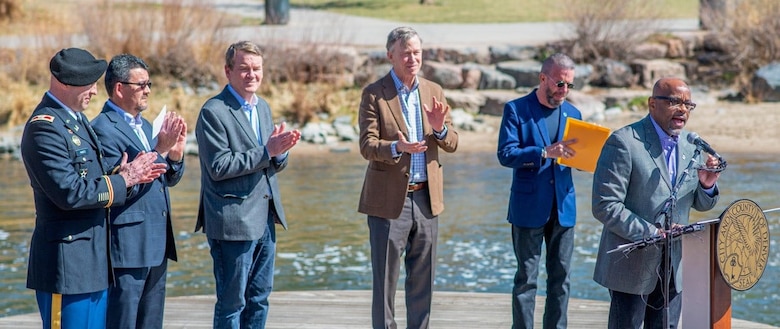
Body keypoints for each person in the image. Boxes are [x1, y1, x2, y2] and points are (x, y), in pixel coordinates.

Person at [20, 48, 166, 329]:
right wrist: (125, 180)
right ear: (66, 83)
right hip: (67, 265)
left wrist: (118, 174)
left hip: (94, 262)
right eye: (89, 84)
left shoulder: (76, 120)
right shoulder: (45, 127)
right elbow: (70, 192)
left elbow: (91, 178)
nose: (96, 92)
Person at [591, 77, 721, 328]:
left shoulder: (690, 146)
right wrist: (650, 233)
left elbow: (699, 204)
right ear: (652, 104)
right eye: (674, 102)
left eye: (688, 104)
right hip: (631, 266)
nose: (682, 109)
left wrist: (706, 185)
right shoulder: (624, 142)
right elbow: (605, 205)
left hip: (673, 267)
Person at [195, 40, 301, 329]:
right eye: (243, 69)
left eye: (256, 69)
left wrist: (280, 153)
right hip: (232, 223)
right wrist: (268, 151)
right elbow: (219, 167)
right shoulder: (213, 112)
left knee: (259, 299)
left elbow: (267, 160)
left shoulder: (262, 107)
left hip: (265, 219)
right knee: (232, 304)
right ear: (228, 71)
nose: (251, 75)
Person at [358, 26, 459, 329]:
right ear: (391, 56)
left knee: (422, 284)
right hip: (389, 204)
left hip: (427, 200)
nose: (412, 58)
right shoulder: (374, 94)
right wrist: (396, 147)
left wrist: (440, 129)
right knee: (385, 285)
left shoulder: (434, 91)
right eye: (406, 53)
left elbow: (452, 142)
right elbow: (367, 145)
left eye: (416, 52)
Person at [90, 53, 187, 329]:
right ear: (119, 88)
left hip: (156, 243)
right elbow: (117, 190)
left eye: (149, 84)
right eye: (141, 84)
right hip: (127, 247)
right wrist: (161, 150)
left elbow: (164, 180)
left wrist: (175, 157)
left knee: (151, 324)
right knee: (123, 323)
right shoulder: (102, 130)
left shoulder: (145, 126)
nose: (147, 90)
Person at [496, 53, 581, 329]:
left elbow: (575, 157)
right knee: (526, 279)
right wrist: (543, 153)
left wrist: (585, 159)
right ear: (543, 78)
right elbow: (506, 154)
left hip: (563, 207)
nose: (564, 90)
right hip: (528, 207)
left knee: (561, 279)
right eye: (559, 83)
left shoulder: (574, 114)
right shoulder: (516, 109)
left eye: (569, 85)